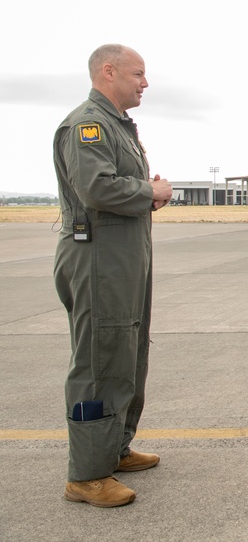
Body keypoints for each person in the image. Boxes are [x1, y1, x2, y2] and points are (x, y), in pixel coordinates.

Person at [53, 44, 173, 507]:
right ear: (109, 72)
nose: (145, 83)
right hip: (98, 261)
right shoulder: (89, 124)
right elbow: (97, 186)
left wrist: (148, 196)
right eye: (138, 74)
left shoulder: (118, 126)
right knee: (100, 359)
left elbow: (115, 189)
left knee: (127, 350)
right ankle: (86, 476)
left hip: (122, 258)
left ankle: (114, 448)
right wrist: (150, 188)